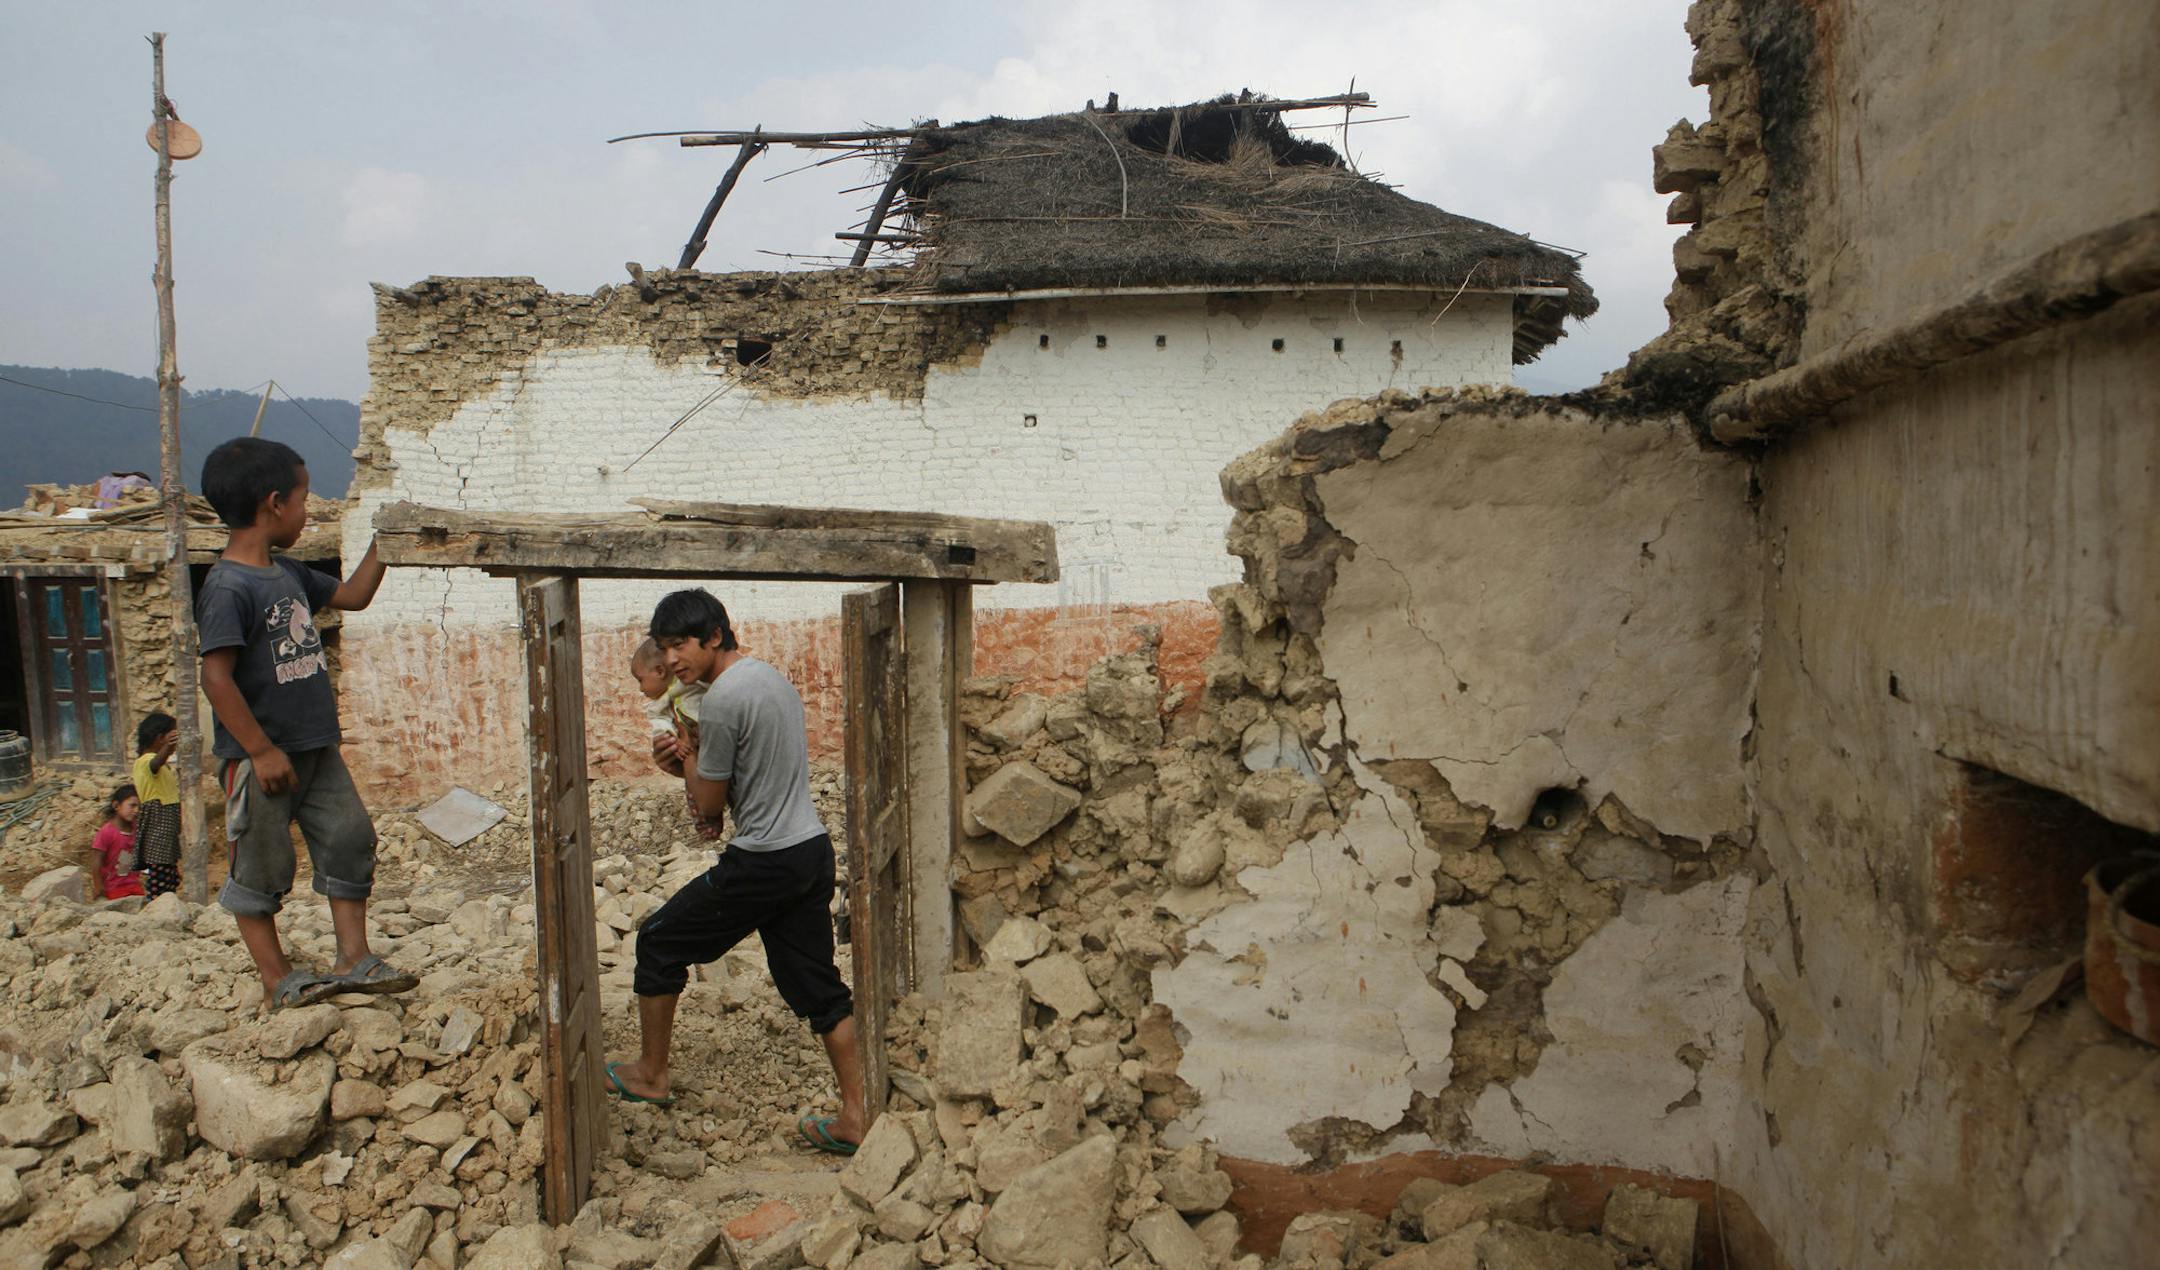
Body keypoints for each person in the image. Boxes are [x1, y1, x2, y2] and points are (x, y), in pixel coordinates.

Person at [606, 588, 866, 1154]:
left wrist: (682, 759)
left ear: (716, 635)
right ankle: (857, 1114)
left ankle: (650, 1074)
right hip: (809, 849)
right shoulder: (770, 678)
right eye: (665, 648)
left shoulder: (721, 699)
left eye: (681, 645)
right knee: (818, 988)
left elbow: (709, 805)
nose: (671, 659)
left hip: (764, 860)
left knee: (657, 941)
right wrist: (693, 761)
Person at [195, 436, 415, 1011]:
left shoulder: (287, 572)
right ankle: (277, 979)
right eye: (303, 499)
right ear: (274, 504)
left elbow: (354, 596)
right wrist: (260, 750)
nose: (306, 510)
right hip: (263, 759)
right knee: (261, 862)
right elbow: (216, 678)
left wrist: (386, 540)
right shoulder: (228, 587)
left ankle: (353, 958)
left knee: (350, 838)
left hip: (316, 748)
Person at [132, 711, 183, 897]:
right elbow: (154, 763)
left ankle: (166, 901)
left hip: (167, 825)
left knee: (168, 872)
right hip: (158, 823)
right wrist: (168, 748)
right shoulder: (144, 762)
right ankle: (157, 902)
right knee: (159, 871)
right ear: (160, 738)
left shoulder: (162, 766)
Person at [91, 784, 147, 900]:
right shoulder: (106, 832)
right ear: (116, 806)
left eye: (139, 807)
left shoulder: (136, 829)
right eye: (132, 806)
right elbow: (97, 861)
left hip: (133, 885)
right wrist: (98, 886)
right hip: (113, 887)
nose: (136, 810)